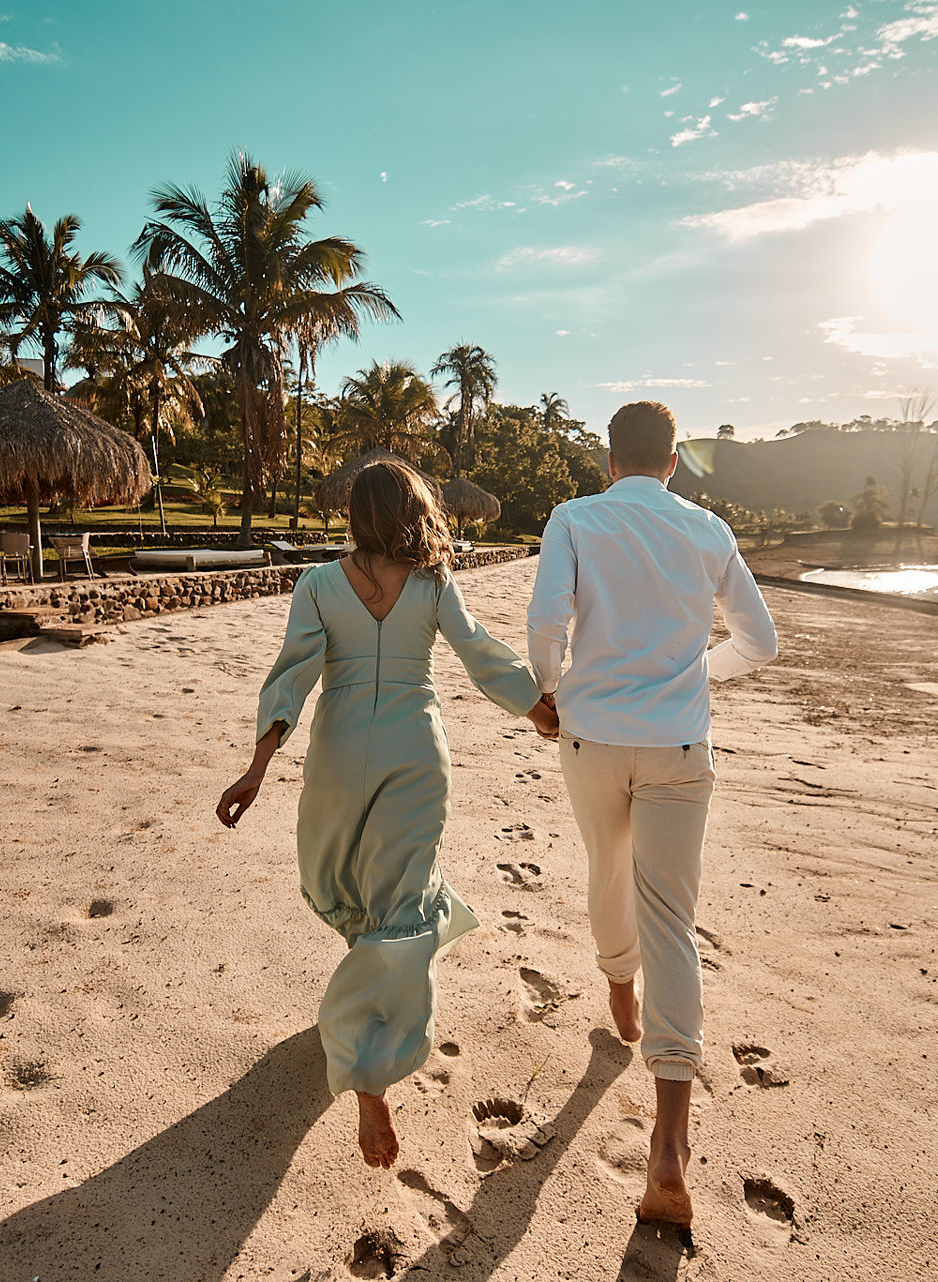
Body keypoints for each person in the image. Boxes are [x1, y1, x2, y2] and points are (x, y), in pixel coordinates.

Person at [217, 460, 559, 1168]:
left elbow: (291, 677)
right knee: (401, 907)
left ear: (353, 514)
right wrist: (535, 707)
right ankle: (371, 1054)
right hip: (415, 756)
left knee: (348, 890)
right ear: (413, 509)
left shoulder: (316, 586)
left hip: (339, 759)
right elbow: (479, 654)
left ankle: (361, 1046)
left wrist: (256, 768)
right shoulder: (433, 584)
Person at [525, 400, 779, 1230]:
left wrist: (553, 690)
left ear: (609, 459)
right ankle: (669, 1146)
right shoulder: (708, 531)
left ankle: (620, 994)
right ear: (673, 462)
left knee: (607, 872)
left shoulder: (573, 517)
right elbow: (762, 642)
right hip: (678, 746)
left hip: (593, 736)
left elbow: (545, 623)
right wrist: (699, 676)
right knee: (674, 919)